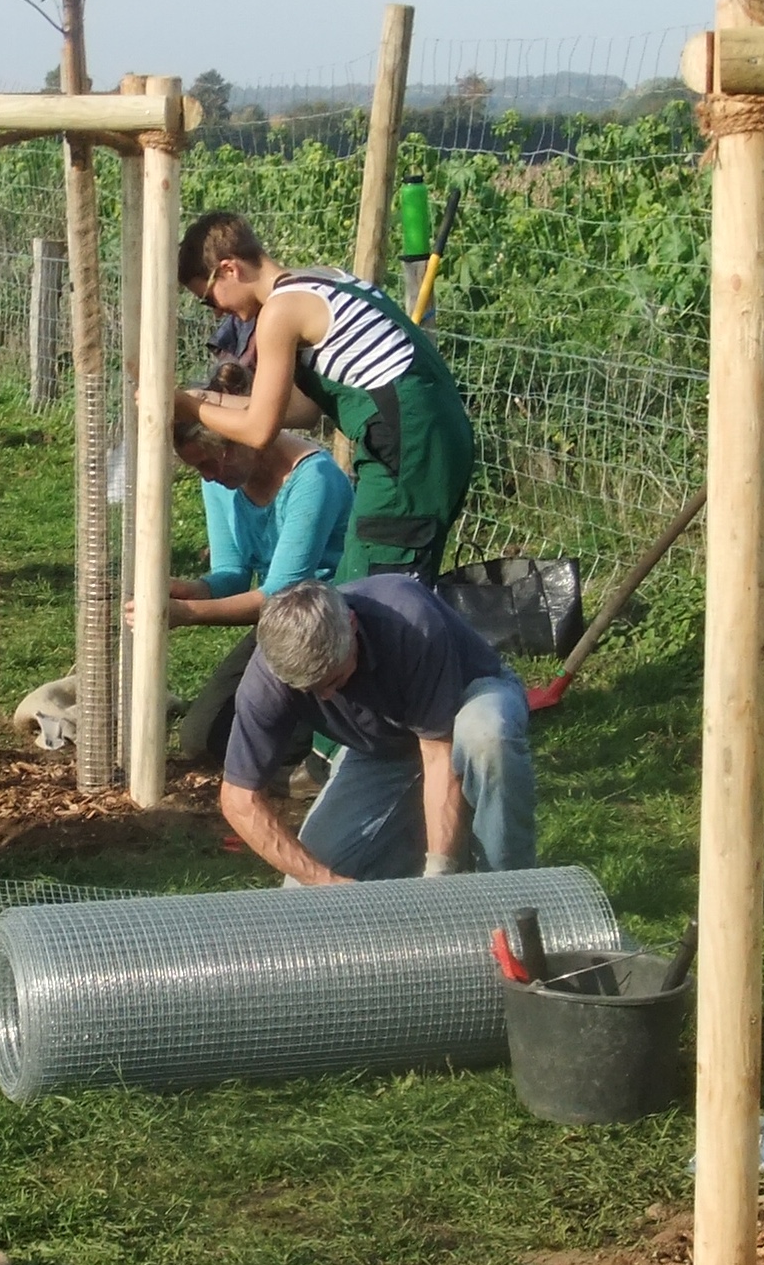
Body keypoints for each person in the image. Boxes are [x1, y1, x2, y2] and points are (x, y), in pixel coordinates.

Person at [177, 211, 477, 584]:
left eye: (209, 299)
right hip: (435, 439)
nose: (218, 312)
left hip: (406, 449)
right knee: (384, 579)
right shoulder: (321, 279)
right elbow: (302, 411)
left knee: (378, 590)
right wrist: (204, 400)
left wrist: (186, 407)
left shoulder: (280, 312)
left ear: (229, 269)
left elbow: (258, 431)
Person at [220, 577, 534, 885]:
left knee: (487, 735)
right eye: (311, 690)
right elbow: (239, 799)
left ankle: (508, 888)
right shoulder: (267, 680)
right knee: (303, 892)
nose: (326, 697)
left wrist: (439, 877)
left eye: (333, 679)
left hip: (466, 703)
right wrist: (324, 881)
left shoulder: (410, 620)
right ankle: (424, 852)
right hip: (383, 749)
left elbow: (438, 753)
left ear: (352, 625)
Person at [137, 414, 350, 767]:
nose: (207, 476)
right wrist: (188, 591)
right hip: (278, 624)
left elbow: (279, 593)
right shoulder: (222, 482)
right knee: (203, 738)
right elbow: (231, 574)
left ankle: (331, 740)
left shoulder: (314, 479)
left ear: (243, 440)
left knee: (258, 742)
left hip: (325, 623)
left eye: (209, 463)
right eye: (197, 468)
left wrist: (183, 615)